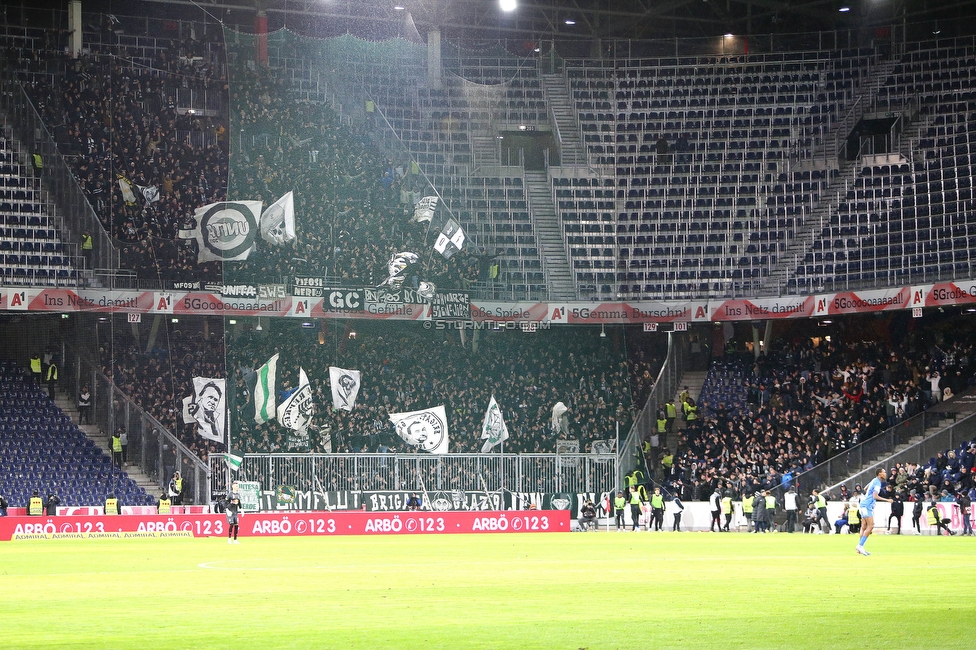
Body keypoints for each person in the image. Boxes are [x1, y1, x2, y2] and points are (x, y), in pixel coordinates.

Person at [856, 468, 892, 556]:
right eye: (884, 472)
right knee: (871, 525)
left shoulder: (874, 480)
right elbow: (875, 496)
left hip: (863, 504)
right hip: (867, 506)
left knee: (864, 526)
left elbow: (865, 488)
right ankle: (860, 545)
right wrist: (887, 500)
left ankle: (860, 548)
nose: (885, 473)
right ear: (880, 474)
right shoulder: (877, 483)